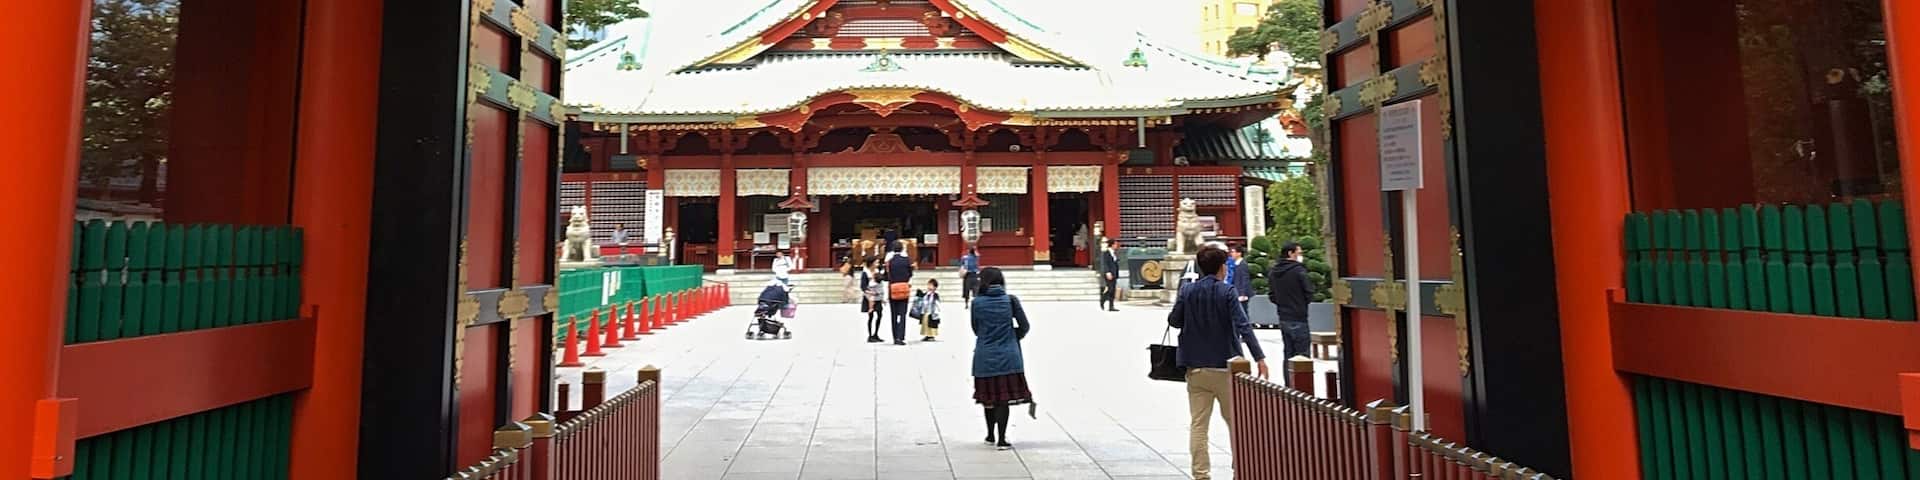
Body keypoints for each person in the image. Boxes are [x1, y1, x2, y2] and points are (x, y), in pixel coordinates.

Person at [1167, 246, 1268, 480]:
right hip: (1226, 366)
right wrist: (1259, 357)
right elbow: (1244, 326)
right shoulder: (1228, 292)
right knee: (1236, 424)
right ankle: (1240, 469)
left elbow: (1174, 320)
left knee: (1199, 425)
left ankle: (1201, 474)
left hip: (1196, 368)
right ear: (1222, 267)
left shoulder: (1187, 290)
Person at [969, 267, 1032, 450]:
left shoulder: (977, 303)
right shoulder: (1010, 300)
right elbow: (1025, 326)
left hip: (984, 356)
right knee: (1002, 399)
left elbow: (975, 328)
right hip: (1008, 356)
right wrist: (1013, 336)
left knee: (988, 397)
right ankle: (1002, 439)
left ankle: (989, 434)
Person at [1266, 241, 1314, 362]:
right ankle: (1302, 381)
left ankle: (1288, 380)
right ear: (1290, 253)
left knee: (1288, 352)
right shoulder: (1299, 271)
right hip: (1299, 316)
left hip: (1283, 316)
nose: (1300, 256)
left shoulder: (1274, 272)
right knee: (1302, 355)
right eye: (1298, 253)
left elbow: (1272, 296)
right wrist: (1301, 303)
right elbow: (1309, 292)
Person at [885, 242, 915, 345]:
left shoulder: (889, 262)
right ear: (902, 249)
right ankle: (901, 337)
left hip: (893, 288)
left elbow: (886, 276)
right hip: (903, 288)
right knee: (902, 314)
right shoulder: (906, 260)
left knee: (893, 314)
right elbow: (910, 274)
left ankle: (895, 337)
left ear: (893, 249)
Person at [861, 260, 884, 343]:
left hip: (878, 296)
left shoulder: (878, 271)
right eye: (876, 262)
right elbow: (863, 287)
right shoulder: (865, 273)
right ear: (871, 263)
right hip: (869, 296)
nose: (877, 264)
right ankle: (870, 335)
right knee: (871, 317)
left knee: (879, 315)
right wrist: (870, 292)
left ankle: (876, 333)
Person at [1229, 246, 1253, 315]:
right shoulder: (1236, 264)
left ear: (1239, 253)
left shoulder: (1242, 264)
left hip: (1241, 293)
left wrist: (1243, 294)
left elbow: (1245, 279)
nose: (1231, 254)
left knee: (1243, 312)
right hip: (1237, 291)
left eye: (1233, 252)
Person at [1098, 239, 1120, 312]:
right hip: (1109, 273)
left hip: (1114, 273)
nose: (1116, 246)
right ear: (1112, 244)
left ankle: (1111, 306)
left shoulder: (1114, 253)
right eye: (1115, 244)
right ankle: (1103, 299)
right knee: (1110, 289)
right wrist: (1107, 272)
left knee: (1113, 290)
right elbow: (1105, 263)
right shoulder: (1106, 253)